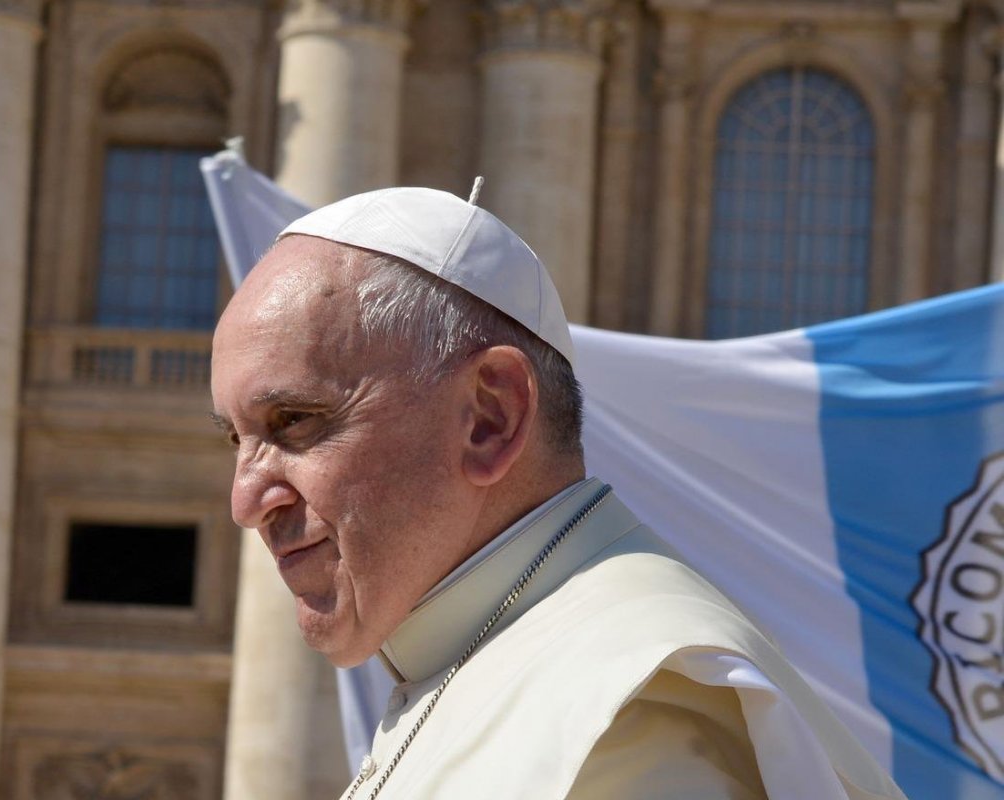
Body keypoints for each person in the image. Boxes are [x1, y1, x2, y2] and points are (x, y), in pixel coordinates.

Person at [209, 186, 906, 800]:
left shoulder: (635, 712)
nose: (245, 501)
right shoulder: (467, 657)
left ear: (490, 418)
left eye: (294, 422)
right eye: (236, 441)